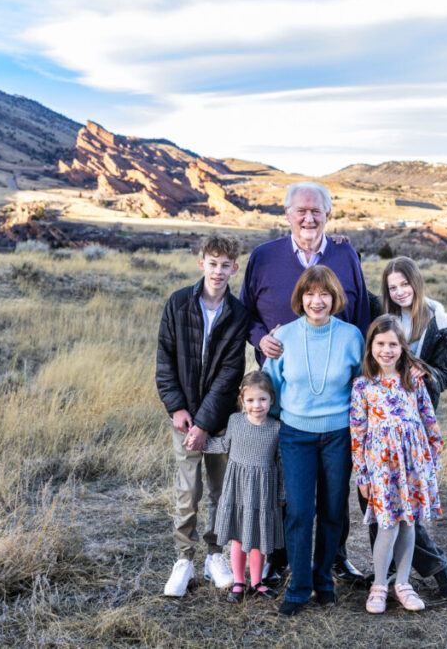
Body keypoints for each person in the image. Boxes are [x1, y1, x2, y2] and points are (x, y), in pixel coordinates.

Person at [240, 181, 370, 586]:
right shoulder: (263, 258)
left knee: (334, 490)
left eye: (317, 211)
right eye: (301, 211)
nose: (309, 218)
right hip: (281, 388)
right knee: (285, 482)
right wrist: (260, 337)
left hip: (335, 394)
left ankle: (334, 558)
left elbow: (362, 312)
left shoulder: (345, 254)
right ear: (287, 215)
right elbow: (244, 314)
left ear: (328, 214)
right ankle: (281, 557)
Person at [261, 266, 364, 616]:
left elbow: (362, 386)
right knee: (300, 511)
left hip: (338, 436)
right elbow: (270, 384)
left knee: (333, 510)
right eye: (309, 294)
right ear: (300, 298)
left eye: (324, 294)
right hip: (296, 435)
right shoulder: (284, 337)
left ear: (334, 298)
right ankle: (299, 585)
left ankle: (324, 581)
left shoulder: (352, 337)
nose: (316, 301)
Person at [157, 233, 249, 597]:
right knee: (188, 490)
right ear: (201, 263)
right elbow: (165, 360)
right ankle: (183, 560)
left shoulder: (238, 313)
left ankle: (214, 555)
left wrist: (205, 424)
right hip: (183, 417)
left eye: (226, 265)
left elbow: (230, 375)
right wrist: (177, 408)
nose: (218, 271)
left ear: (234, 268)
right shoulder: (178, 303)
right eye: (212, 263)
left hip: (220, 420)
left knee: (220, 489)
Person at [375, 255, 447, 598]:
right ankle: (382, 578)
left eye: (404, 284)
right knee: (378, 500)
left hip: (414, 425)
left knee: (405, 504)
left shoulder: (438, 322)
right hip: (382, 421)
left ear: (416, 282)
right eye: (392, 286)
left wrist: (426, 372)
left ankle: (439, 569)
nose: (399, 292)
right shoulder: (383, 318)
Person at [350, 316, 444, 614]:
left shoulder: (413, 381)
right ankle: (379, 585)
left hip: (414, 465)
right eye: (380, 344)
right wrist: (362, 474)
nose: (387, 350)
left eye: (393, 344)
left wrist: (433, 461)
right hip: (382, 467)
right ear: (371, 347)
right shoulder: (363, 386)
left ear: (402, 348)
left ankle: (403, 583)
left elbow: (429, 421)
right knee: (387, 524)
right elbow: (358, 433)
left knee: (408, 523)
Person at [195, 371, 284, 603]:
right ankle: (238, 581)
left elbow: (280, 462)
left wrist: (281, 493)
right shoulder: (235, 421)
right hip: (238, 489)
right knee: (238, 537)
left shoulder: (276, 428)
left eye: (262, 399)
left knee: (258, 538)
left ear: (271, 400)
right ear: (242, 401)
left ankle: (256, 582)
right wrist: (200, 444)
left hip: (263, 491)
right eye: (251, 400)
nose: (257, 405)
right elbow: (224, 444)